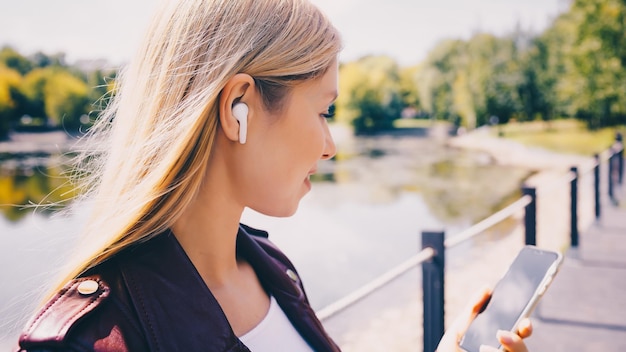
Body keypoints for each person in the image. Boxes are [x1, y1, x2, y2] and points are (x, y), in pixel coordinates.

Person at [16, 0, 533, 351]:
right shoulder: (91, 340)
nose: (330, 148)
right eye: (325, 111)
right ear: (239, 105)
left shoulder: (271, 268)